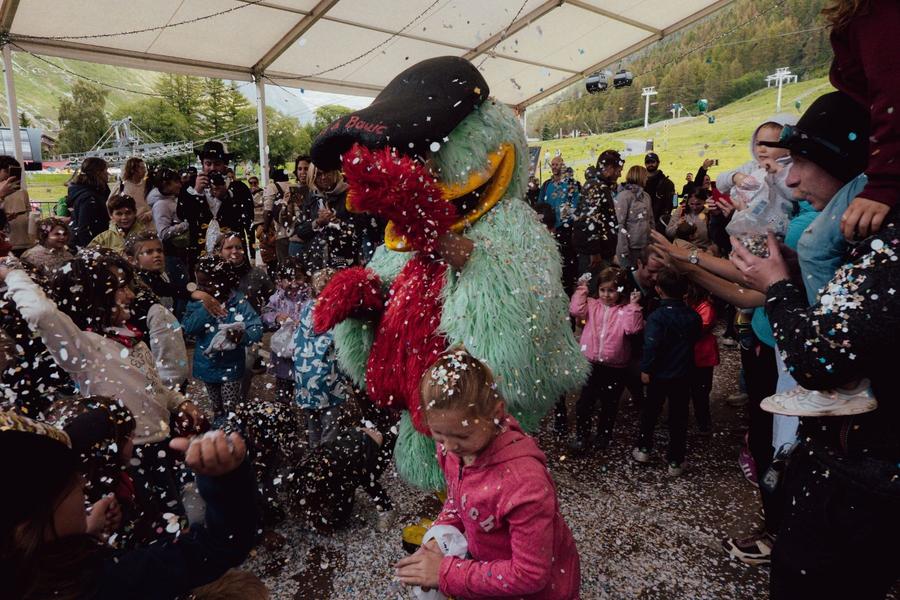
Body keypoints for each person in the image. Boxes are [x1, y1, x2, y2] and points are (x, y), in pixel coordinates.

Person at [731, 222, 900, 599]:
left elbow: (815, 358)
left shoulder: (890, 254)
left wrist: (778, 287)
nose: (792, 188)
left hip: (858, 477)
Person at [1, 411, 258, 600]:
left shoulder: (23, 577)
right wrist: (226, 479)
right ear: (30, 520)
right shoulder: (106, 582)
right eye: (72, 483)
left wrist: (87, 532)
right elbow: (218, 547)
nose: (82, 484)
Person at [395, 350, 580, 599]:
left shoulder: (525, 484)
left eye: (462, 436)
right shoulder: (454, 446)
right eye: (438, 435)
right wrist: (440, 536)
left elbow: (530, 575)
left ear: (496, 413)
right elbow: (458, 498)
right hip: (490, 574)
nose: (449, 447)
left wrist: (445, 574)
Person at [825, 0, 900, 241]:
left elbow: (892, 94)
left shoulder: (878, 9)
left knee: (818, 245)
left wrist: (884, 183)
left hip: (889, 168)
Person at [182, 255, 263, 430]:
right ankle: (219, 430)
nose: (203, 289)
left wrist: (242, 336)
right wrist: (206, 309)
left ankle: (231, 433)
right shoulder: (198, 302)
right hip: (207, 366)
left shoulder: (238, 301)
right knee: (216, 407)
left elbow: (255, 326)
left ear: (224, 281)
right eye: (200, 284)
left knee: (230, 407)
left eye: (208, 284)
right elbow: (188, 328)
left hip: (231, 366)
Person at [633, 268, 701, 476]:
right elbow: (695, 338)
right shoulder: (693, 316)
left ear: (659, 290)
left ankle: (644, 448)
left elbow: (651, 345)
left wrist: (646, 368)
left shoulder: (657, 317)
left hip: (659, 374)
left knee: (651, 412)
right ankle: (675, 460)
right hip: (683, 373)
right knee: (679, 417)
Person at [568, 267, 643, 452]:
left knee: (609, 404)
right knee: (585, 402)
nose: (606, 295)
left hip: (616, 367)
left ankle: (604, 435)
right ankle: (582, 436)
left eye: (611, 290)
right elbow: (575, 310)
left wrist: (634, 306)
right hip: (591, 363)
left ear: (620, 291)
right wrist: (582, 289)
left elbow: (632, 329)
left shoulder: (625, 310)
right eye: (603, 290)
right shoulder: (592, 305)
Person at [288, 425, 396, 533]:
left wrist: (333, 524)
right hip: (354, 436)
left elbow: (346, 496)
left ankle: (387, 509)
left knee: (367, 480)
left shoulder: (338, 476)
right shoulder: (306, 474)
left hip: (376, 445)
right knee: (346, 487)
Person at [122, 233, 190, 392]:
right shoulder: (142, 282)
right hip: (153, 351)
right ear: (132, 259)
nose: (157, 255)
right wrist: (193, 293)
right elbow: (165, 289)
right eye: (148, 252)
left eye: (159, 251)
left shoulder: (158, 276)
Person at [293, 268, 346, 448]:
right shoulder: (334, 312)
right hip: (326, 377)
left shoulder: (307, 308)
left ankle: (313, 452)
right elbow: (341, 341)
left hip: (304, 377)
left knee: (312, 420)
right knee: (330, 422)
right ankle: (327, 455)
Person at [177, 141, 254, 260]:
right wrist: (196, 192)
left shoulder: (239, 188)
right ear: (202, 164)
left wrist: (226, 197)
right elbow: (182, 216)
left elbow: (248, 219)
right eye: (208, 164)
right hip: (199, 255)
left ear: (225, 165)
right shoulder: (189, 188)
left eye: (217, 164)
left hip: (233, 254)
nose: (212, 168)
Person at [261, 257, 309, 404]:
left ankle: (309, 412)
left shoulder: (310, 297)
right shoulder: (277, 298)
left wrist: (308, 322)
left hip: (305, 351)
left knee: (307, 387)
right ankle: (283, 410)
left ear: (306, 278)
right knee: (283, 390)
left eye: (298, 278)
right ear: (280, 281)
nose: (293, 283)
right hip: (283, 353)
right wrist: (276, 317)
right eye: (288, 279)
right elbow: (265, 314)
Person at [295, 164, 356, 270]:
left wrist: (338, 223)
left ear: (334, 172)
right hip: (316, 261)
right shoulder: (311, 198)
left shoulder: (348, 195)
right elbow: (300, 230)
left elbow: (359, 228)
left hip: (342, 259)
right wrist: (318, 222)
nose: (323, 177)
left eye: (326, 172)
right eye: (318, 174)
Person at [573, 150, 621, 274]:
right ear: (609, 169)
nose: (620, 175)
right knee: (593, 283)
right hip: (594, 254)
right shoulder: (595, 187)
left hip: (602, 251)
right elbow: (587, 220)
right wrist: (594, 252)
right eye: (618, 170)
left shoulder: (600, 186)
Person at [537, 155, 581, 291]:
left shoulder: (571, 184)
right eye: (553, 164)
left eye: (557, 164)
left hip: (564, 229)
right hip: (547, 229)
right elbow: (540, 204)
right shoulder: (546, 185)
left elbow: (575, 204)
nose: (555, 167)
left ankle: (567, 288)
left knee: (566, 260)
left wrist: (563, 221)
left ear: (563, 166)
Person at [686, 282, 718, 434]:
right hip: (689, 355)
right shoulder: (692, 305)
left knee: (701, 393)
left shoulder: (706, 307)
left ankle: (703, 422)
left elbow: (700, 327)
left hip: (702, 356)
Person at [614, 164, 654, 269]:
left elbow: (650, 220)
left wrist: (652, 242)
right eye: (645, 176)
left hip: (645, 245)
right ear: (639, 176)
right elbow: (620, 224)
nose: (647, 179)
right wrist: (624, 249)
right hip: (630, 247)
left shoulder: (646, 196)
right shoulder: (623, 197)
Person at [68, 157, 111, 248]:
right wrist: (93, 250)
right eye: (106, 170)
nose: (108, 174)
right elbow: (83, 229)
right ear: (98, 172)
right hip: (92, 244)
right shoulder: (89, 198)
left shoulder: (97, 192)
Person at [0, 155, 32, 255]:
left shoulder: (22, 192)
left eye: (14, 171)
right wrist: (1, 195)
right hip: (4, 244)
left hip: (24, 241)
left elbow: (28, 212)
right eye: (6, 171)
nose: (9, 175)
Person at [112, 157, 151, 225]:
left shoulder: (148, 184)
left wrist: (150, 214)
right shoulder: (122, 186)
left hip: (148, 224)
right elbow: (109, 204)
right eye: (142, 168)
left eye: (144, 168)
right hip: (130, 225)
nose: (145, 171)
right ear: (133, 170)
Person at [643, 152, 676, 233]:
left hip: (658, 224)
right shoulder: (640, 182)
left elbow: (670, 205)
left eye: (653, 162)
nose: (650, 164)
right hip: (642, 221)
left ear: (658, 163)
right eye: (648, 162)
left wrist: (661, 222)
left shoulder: (667, 183)